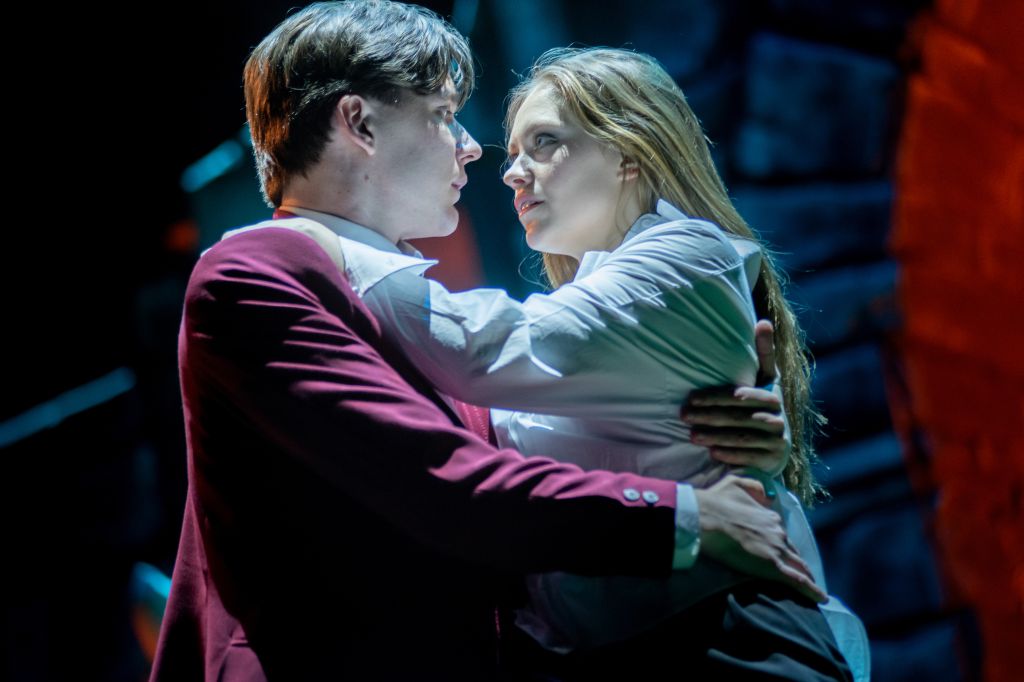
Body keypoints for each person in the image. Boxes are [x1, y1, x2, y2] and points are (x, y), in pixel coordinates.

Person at [150, 3, 821, 680]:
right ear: (360, 123)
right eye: (443, 114)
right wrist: (689, 514)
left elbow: (525, 445)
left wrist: (705, 421)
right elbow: (444, 481)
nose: (474, 148)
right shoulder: (257, 269)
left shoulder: (404, 303)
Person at [331, 46, 867, 680]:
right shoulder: (598, 302)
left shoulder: (688, 253)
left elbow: (484, 348)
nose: (512, 173)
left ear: (629, 151)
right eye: (515, 151)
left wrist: (333, 238)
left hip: (730, 638)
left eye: (544, 142)